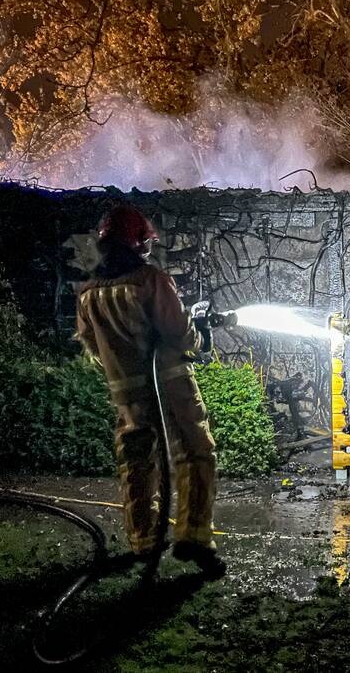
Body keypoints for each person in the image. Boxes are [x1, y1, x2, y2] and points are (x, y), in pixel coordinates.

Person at [75, 204, 223, 576]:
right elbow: (179, 332)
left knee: (137, 463)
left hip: (126, 395)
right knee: (195, 452)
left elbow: (91, 344)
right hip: (170, 383)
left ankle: (144, 540)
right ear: (137, 243)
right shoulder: (150, 281)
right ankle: (193, 536)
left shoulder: (88, 293)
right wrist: (201, 336)